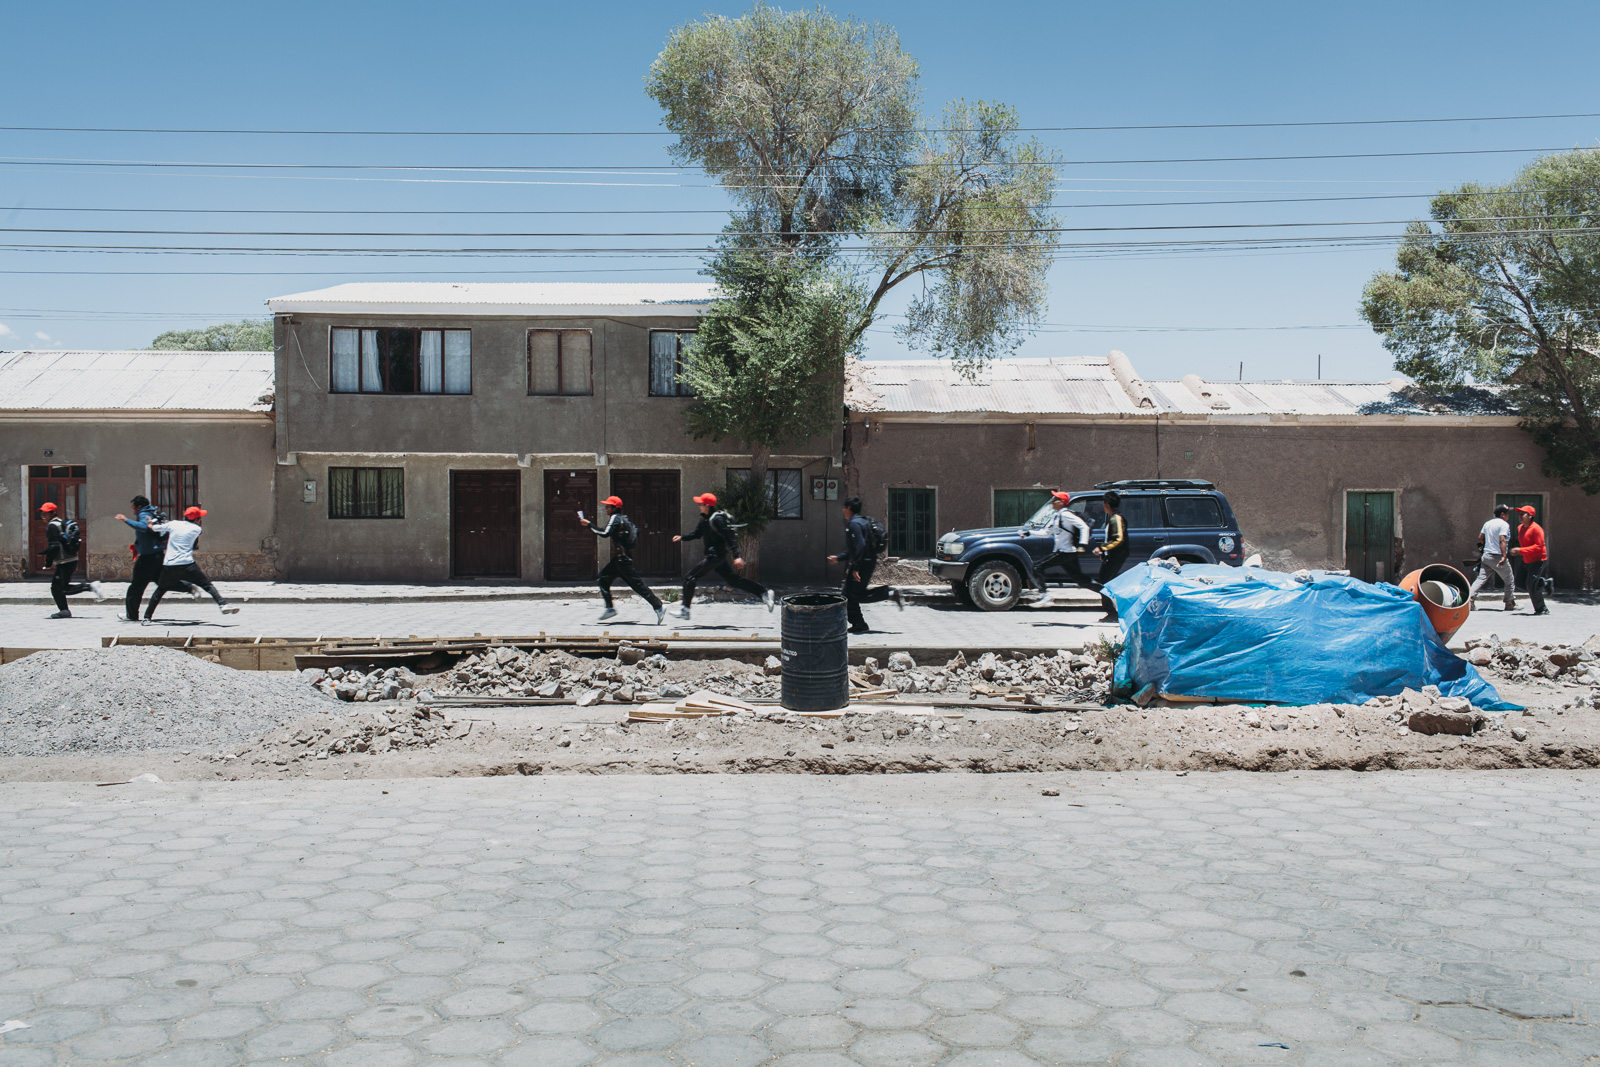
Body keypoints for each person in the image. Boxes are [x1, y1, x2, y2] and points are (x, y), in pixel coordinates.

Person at [669, 492, 775, 620]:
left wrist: (736, 555)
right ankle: (764, 592)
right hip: (717, 557)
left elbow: (730, 537)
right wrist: (682, 537)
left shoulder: (717, 519)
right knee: (732, 580)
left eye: (701, 504)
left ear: (707, 505)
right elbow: (697, 534)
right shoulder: (705, 519)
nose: (699, 506)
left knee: (690, 577)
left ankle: (685, 610)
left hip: (715, 556)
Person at [143, 506, 240, 622]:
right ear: (197, 519)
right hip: (187, 564)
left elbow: (154, 528)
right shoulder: (196, 529)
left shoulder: (174, 524)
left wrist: (151, 522)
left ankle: (147, 618)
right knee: (207, 585)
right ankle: (222, 604)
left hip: (170, 565)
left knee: (160, 591)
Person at [580, 495, 665, 625]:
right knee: (603, 578)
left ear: (615, 508)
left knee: (637, 585)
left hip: (622, 560)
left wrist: (589, 525)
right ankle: (609, 608)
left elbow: (605, 533)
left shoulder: (615, 518)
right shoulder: (623, 519)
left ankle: (659, 606)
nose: (605, 508)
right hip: (619, 560)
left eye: (608, 506)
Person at [827, 496, 904, 634]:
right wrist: (838, 558)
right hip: (865, 561)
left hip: (863, 563)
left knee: (855, 595)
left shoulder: (854, 524)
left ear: (849, 508)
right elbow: (855, 549)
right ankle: (859, 624)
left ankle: (890, 593)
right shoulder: (860, 522)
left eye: (844, 507)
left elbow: (861, 546)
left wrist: (856, 567)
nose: (843, 510)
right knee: (849, 593)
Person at [116, 495, 197, 622]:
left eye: (133, 507)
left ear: (139, 506)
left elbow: (143, 527)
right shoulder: (151, 512)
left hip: (148, 558)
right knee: (162, 581)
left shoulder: (144, 514)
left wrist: (126, 520)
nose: (132, 509)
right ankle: (188, 587)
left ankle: (131, 615)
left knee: (136, 587)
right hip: (157, 556)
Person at [36, 501, 105, 618]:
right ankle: (64, 610)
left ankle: (90, 587)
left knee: (60, 588)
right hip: (71, 559)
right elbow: (58, 543)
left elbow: (54, 546)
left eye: (46, 513)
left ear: (52, 513)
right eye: (42, 513)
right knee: (58, 588)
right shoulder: (60, 523)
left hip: (64, 561)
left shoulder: (52, 526)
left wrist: (48, 563)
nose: (43, 516)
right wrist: (44, 552)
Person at [1030, 491, 1093, 607]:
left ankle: (1045, 595)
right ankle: (1106, 593)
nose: (1052, 502)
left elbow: (1084, 527)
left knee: (1037, 567)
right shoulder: (1056, 515)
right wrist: (1029, 533)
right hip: (1067, 553)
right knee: (1081, 580)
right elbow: (1046, 533)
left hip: (1065, 552)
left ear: (1062, 502)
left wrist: (1082, 544)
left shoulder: (1066, 515)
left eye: (1055, 499)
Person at [1466, 504, 1516, 611]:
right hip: (1497, 556)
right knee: (1509, 579)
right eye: (1507, 513)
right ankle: (1509, 602)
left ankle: (1470, 599)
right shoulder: (1504, 525)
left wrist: (1486, 546)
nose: (1508, 516)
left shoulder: (1487, 523)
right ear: (1502, 514)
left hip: (1487, 556)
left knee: (1481, 578)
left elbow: (1480, 537)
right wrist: (1503, 556)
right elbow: (1502, 539)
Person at [1093, 490, 1129, 622]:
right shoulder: (1113, 518)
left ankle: (1112, 613)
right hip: (1113, 556)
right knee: (1107, 582)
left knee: (1104, 583)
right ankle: (1114, 611)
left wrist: (1102, 548)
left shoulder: (1116, 518)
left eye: (1104, 502)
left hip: (1117, 556)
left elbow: (1118, 539)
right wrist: (1105, 553)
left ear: (1107, 504)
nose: (1103, 505)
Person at [1509, 505, 1549, 615]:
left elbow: (1539, 547)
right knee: (1518, 583)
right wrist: (1520, 551)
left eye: (1523, 514)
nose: (1520, 516)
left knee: (1531, 585)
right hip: (1526, 560)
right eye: (1519, 514)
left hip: (1538, 560)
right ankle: (1544, 583)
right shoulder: (1520, 528)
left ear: (1530, 516)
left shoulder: (1536, 529)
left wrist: (1520, 550)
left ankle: (1541, 609)